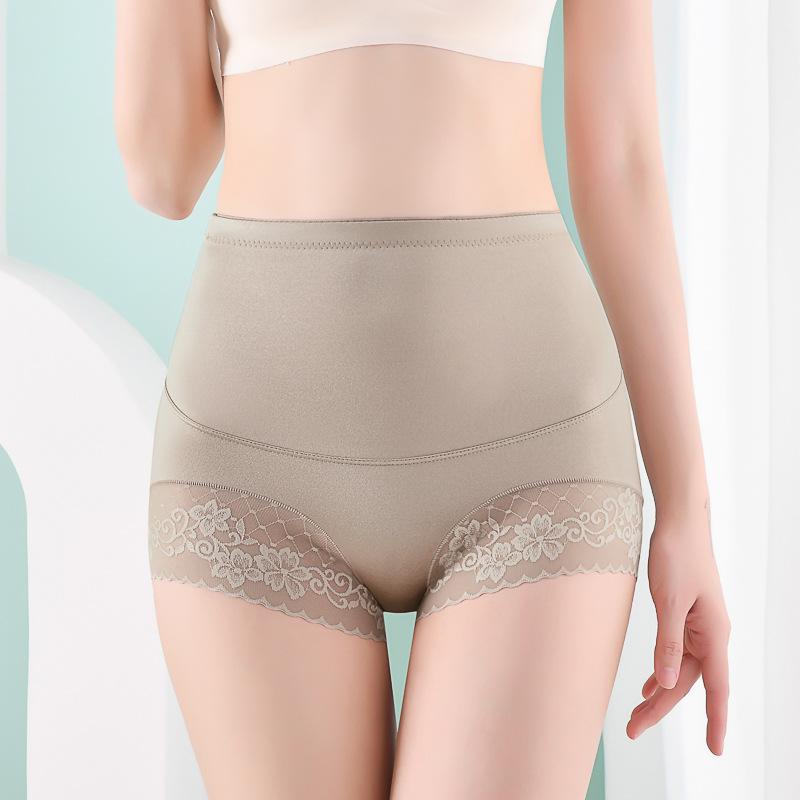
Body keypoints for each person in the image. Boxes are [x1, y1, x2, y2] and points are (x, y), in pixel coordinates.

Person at [114, 1, 731, 797]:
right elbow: (162, 173)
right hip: (251, 454)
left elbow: (623, 161)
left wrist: (687, 511)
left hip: (534, 449)